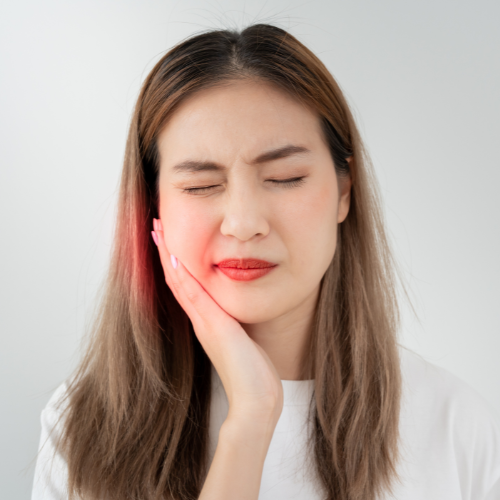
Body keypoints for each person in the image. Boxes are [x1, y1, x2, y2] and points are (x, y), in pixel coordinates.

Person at [31, 23, 500, 500]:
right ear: (154, 206)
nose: (243, 223)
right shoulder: (84, 427)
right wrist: (251, 418)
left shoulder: (455, 428)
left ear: (344, 190)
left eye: (284, 178)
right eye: (200, 186)